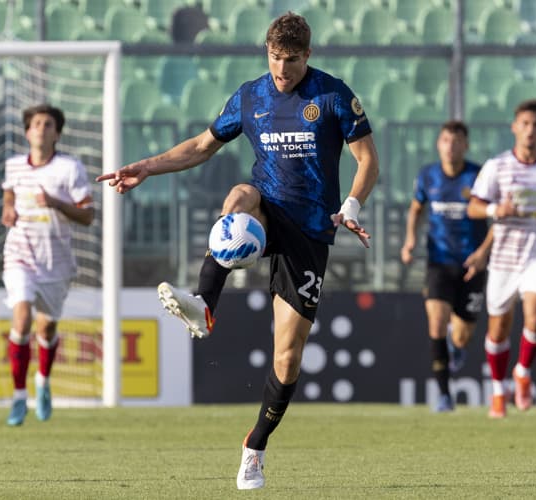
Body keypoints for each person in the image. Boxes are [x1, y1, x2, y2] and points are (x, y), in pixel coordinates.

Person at [98, 12, 379, 490]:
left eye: (291, 60)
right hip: (266, 208)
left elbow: (367, 158)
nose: (282, 69)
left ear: (307, 56)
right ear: (265, 52)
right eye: (274, 58)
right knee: (238, 197)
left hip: (310, 231)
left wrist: (352, 203)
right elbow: (203, 145)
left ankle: (255, 447)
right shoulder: (251, 96)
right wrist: (147, 166)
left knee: (287, 358)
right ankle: (205, 305)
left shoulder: (332, 95)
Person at [467, 99, 536, 419]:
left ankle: (523, 373)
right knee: (499, 328)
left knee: (535, 317)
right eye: (525, 124)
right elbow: (474, 207)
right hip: (504, 258)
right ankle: (499, 391)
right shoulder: (496, 167)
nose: (530, 130)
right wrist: (499, 210)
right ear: (514, 127)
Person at [1, 104, 95, 426]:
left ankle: (42, 381)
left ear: (57, 133)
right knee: (22, 316)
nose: (41, 128)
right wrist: (8, 212)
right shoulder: (14, 166)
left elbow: (87, 215)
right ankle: (17, 398)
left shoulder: (69, 169)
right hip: (20, 255)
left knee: (47, 327)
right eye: (36, 123)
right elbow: (9, 198)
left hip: (55, 261)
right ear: (27, 132)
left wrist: (55, 202)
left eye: (48, 124)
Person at [400, 120, 492, 413]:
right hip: (438, 262)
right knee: (437, 323)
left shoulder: (478, 177)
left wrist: (482, 253)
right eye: (445, 141)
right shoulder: (428, 176)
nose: (450, 147)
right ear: (439, 144)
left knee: (463, 334)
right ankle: (444, 395)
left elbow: (497, 220)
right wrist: (410, 240)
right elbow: (416, 209)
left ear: (466, 145)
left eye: (456, 141)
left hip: (472, 265)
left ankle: (459, 344)